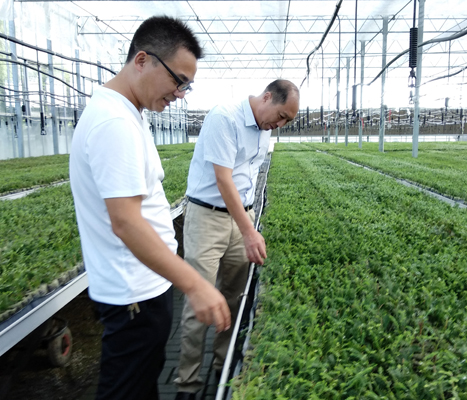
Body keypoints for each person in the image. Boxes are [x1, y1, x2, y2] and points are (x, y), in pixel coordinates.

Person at [69, 16, 230, 400]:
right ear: (142, 60)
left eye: (187, 86)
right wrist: (194, 284)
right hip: (134, 296)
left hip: (141, 288)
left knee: (140, 385)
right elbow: (126, 223)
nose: (180, 94)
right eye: (178, 80)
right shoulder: (114, 123)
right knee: (125, 389)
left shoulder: (127, 113)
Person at [174, 80, 299, 399]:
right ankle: (187, 383)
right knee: (199, 300)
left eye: (287, 121)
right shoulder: (224, 117)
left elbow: (249, 177)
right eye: (281, 116)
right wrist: (249, 231)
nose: (280, 125)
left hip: (242, 216)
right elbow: (224, 179)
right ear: (267, 97)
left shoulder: (265, 128)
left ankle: (222, 367)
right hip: (208, 218)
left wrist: (247, 221)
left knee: (233, 297)